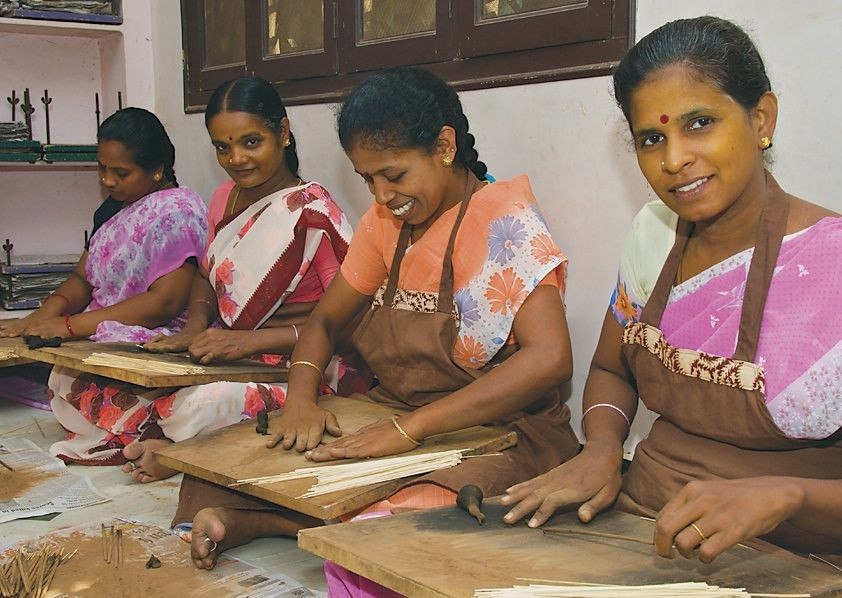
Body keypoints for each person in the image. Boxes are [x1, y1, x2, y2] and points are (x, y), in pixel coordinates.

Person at [177, 67, 580, 575]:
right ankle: (274, 514)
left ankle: (258, 523)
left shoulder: (506, 221)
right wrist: (301, 400)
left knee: (431, 507)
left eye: (394, 175)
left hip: (503, 429)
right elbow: (324, 324)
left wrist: (410, 431)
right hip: (393, 408)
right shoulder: (384, 226)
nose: (382, 195)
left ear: (445, 146)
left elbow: (550, 359)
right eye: (368, 178)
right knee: (220, 465)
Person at [502, 16, 842, 568]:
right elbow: (613, 370)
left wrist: (788, 494)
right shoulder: (650, 236)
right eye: (652, 138)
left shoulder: (834, 267)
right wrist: (603, 448)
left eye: (700, 123)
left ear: (761, 119)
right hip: (645, 523)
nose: (673, 159)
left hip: (796, 558)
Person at [123, 76, 366, 483]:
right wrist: (196, 327)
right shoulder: (224, 197)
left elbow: (348, 322)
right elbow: (205, 272)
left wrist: (248, 342)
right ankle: (183, 447)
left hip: (306, 365)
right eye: (223, 146)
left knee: (205, 403)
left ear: (283, 133)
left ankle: (174, 449)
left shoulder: (313, 213)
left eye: (251, 142)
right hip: (231, 349)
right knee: (82, 377)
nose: (236, 158)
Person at [0, 107, 208, 463]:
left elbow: (164, 304)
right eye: (102, 169)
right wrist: (39, 317)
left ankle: (151, 435)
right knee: (59, 381)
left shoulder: (178, 212)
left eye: (120, 172)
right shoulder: (111, 210)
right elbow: (83, 278)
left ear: (157, 169)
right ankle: (135, 432)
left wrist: (68, 326)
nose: (108, 181)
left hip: (157, 341)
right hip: (102, 332)